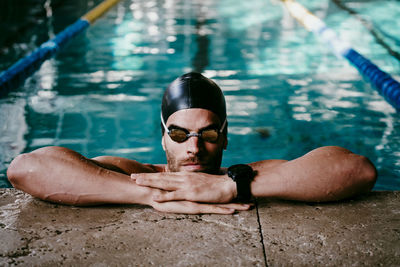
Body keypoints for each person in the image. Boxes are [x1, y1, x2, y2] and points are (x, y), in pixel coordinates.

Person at [7, 72, 377, 214]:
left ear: (226, 137)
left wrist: (232, 186)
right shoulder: (133, 175)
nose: (194, 149)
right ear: (163, 138)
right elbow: (25, 168)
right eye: (180, 134)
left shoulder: (247, 174)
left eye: (209, 134)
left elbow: (356, 169)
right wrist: (151, 195)